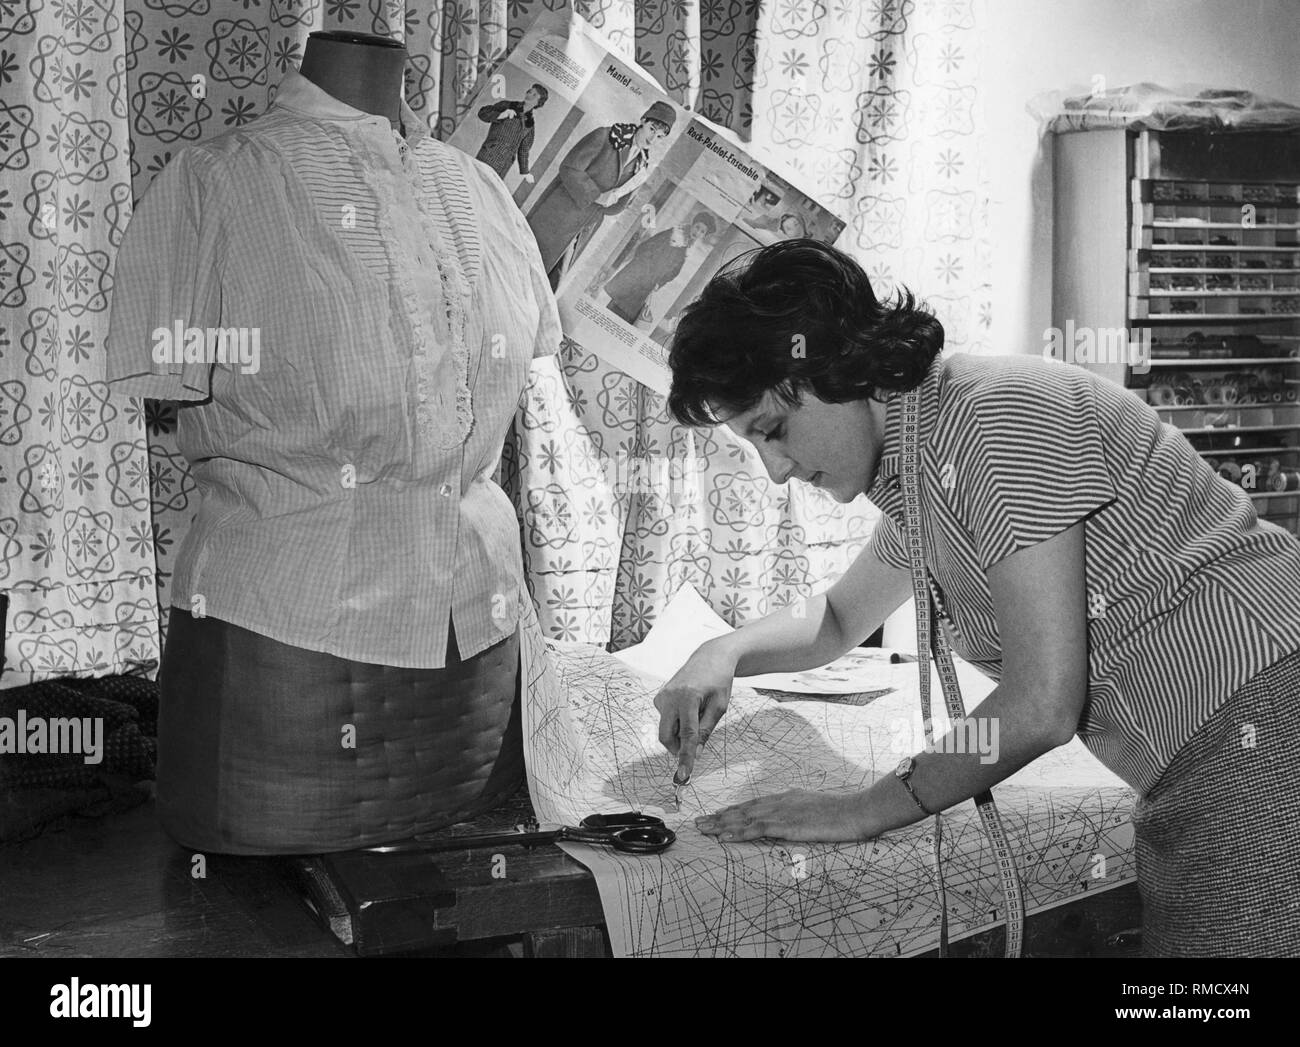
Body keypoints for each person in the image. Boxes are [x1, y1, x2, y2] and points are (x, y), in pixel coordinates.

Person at [655, 238, 1300, 957]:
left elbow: (1040, 705)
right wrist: (722, 650)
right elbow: (837, 620)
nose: (775, 470)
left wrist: (866, 809)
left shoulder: (994, 419)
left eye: (773, 431)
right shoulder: (923, 469)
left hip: (1261, 724)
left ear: (837, 364)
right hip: (1212, 751)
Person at [527, 101, 675, 286]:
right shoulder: (605, 136)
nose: (653, 139)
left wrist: (620, 201)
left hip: (584, 231)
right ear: (643, 120)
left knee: (549, 285)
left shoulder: (642, 164)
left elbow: (617, 206)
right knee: (524, 268)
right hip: (557, 217)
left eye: (660, 136)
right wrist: (597, 195)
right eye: (652, 129)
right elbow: (570, 168)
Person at [604, 211, 715, 324]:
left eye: (702, 231)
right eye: (697, 227)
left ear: (704, 236)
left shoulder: (686, 247)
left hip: (647, 285)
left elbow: (674, 272)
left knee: (624, 317)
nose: (697, 232)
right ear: (692, 224)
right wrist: (646, 273)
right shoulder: (674, 234)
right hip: (637, 278)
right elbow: (645, 248)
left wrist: (660, 282)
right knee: (614, 311)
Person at [475, 83, 548, 181]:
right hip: (488, 154)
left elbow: (524, 150)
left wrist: (525, 172)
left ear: (539, 103)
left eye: (534, 95)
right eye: (530, 91)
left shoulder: (530, 123)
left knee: (488, 190)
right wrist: (501, 114)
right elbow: (482, 113)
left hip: (504, 165)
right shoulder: (508, 105)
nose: (529, 94)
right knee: (475, 182)